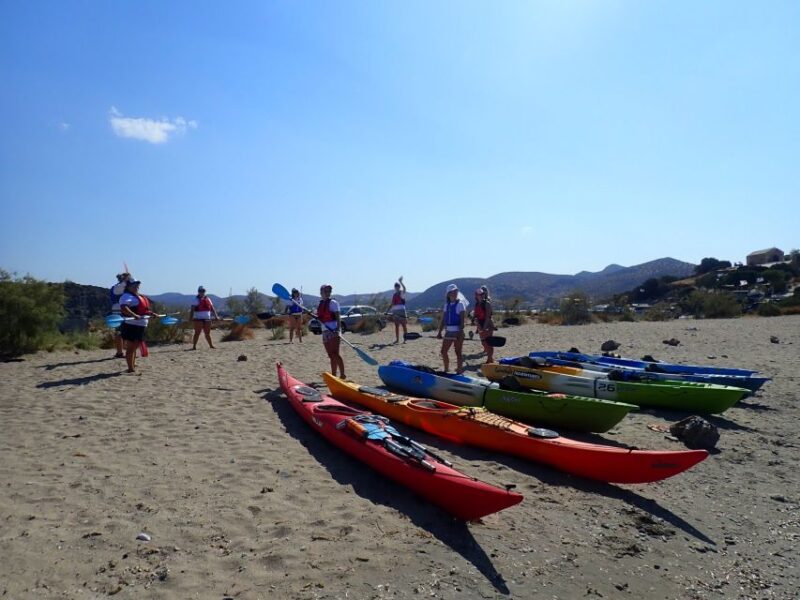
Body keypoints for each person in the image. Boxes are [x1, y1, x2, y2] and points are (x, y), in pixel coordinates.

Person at [119, 279, 156, 373]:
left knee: (135, 346)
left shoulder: (140, 297)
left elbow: (144, 310)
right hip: (131, 326)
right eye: (134, 285)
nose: (136, 287)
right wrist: (133, 315)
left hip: (141, 325)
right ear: (128, 287)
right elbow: (124, 308)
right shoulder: (126, 296)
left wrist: (152, 313)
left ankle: (132, 364)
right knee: (131, 347)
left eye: (137, 285)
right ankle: (130, 368)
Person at [436, 283, 467, 373]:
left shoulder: (460, 304)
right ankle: (446, 370)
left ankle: (459, 371)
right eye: (452, 291)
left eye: (456, 291)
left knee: (458, 352)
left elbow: (462, 322)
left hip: (458, 332)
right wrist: (439, 332)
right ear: (448, 293)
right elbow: (443, 320)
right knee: (443, 351)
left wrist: (459, 333)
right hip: (448, 332)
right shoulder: (447, 305)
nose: (454, 293)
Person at [318, 284, 345, 378]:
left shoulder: (333, 303)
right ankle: (334, 374)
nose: (327, 293)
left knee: (335, 353)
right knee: (330, 355)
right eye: (325, 291)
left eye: (329, 291)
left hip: (333, 330)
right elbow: (320, 317)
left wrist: (338, 328)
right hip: (325, 331)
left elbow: (338, 316)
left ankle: (342, 374)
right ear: (321, 292)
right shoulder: (321, 303)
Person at [109, 272, 131, 358]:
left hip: (122, 310)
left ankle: (123, 351)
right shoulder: (118, 287)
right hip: (119, 311)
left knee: (125, 331)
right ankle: (120, 352)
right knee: (120, 332)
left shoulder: (121, 287)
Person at [473, 285, 496, 364]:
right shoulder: (476, 304)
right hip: (480, 325)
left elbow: (487, 317)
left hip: (487, 325)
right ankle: (489, 358)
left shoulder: (487, 304)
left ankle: (490, 359)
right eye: (479, 294)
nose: (480, 296)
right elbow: (476, 316)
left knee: (488, 343)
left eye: (482, 294)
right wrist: (478, 327)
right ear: (476, 295)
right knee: (483, 342)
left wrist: (484, 328)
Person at [389, 276, 408, 343]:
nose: (396, 287)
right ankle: (397, 339)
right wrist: (388, 310)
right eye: (395, 286)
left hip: (401, 311)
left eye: (397, 286)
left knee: (404, 325)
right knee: (396, 326)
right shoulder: (394, 295)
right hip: (395, 311)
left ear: (399, 287)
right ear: (395, 287)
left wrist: (401, 282)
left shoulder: (401, 293)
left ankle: (405, 339)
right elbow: (392, 303)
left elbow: (405, 289)